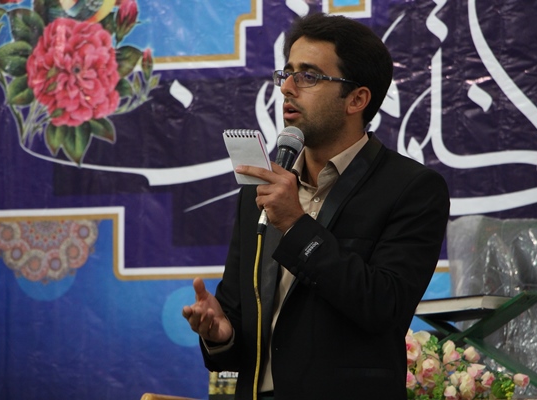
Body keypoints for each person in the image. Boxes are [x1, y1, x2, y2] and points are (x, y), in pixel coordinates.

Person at [183, 12, 450, 400]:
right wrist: (220, 334)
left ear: (356, 99)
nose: (287, 88)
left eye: (308, 76)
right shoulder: (262, 190)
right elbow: (238, 323)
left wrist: (296, 224)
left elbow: (383, 306)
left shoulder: (411, 188)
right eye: (287, 73)